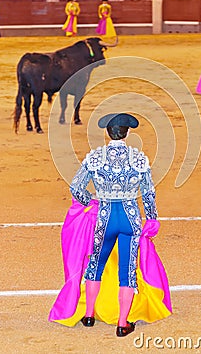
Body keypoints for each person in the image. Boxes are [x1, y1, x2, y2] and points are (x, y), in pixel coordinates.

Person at [49, 113, 172, 336]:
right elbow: (148, 193)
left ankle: (88, 316)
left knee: (95, 265)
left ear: (108, 133)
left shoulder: (95, 158)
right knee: (127, 272)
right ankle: (122, 324)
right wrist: (152, 218)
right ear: (126, 133)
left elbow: (76, 189)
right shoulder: (139, 159)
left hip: (104, 218)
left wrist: (93, 201)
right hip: (129, 218)